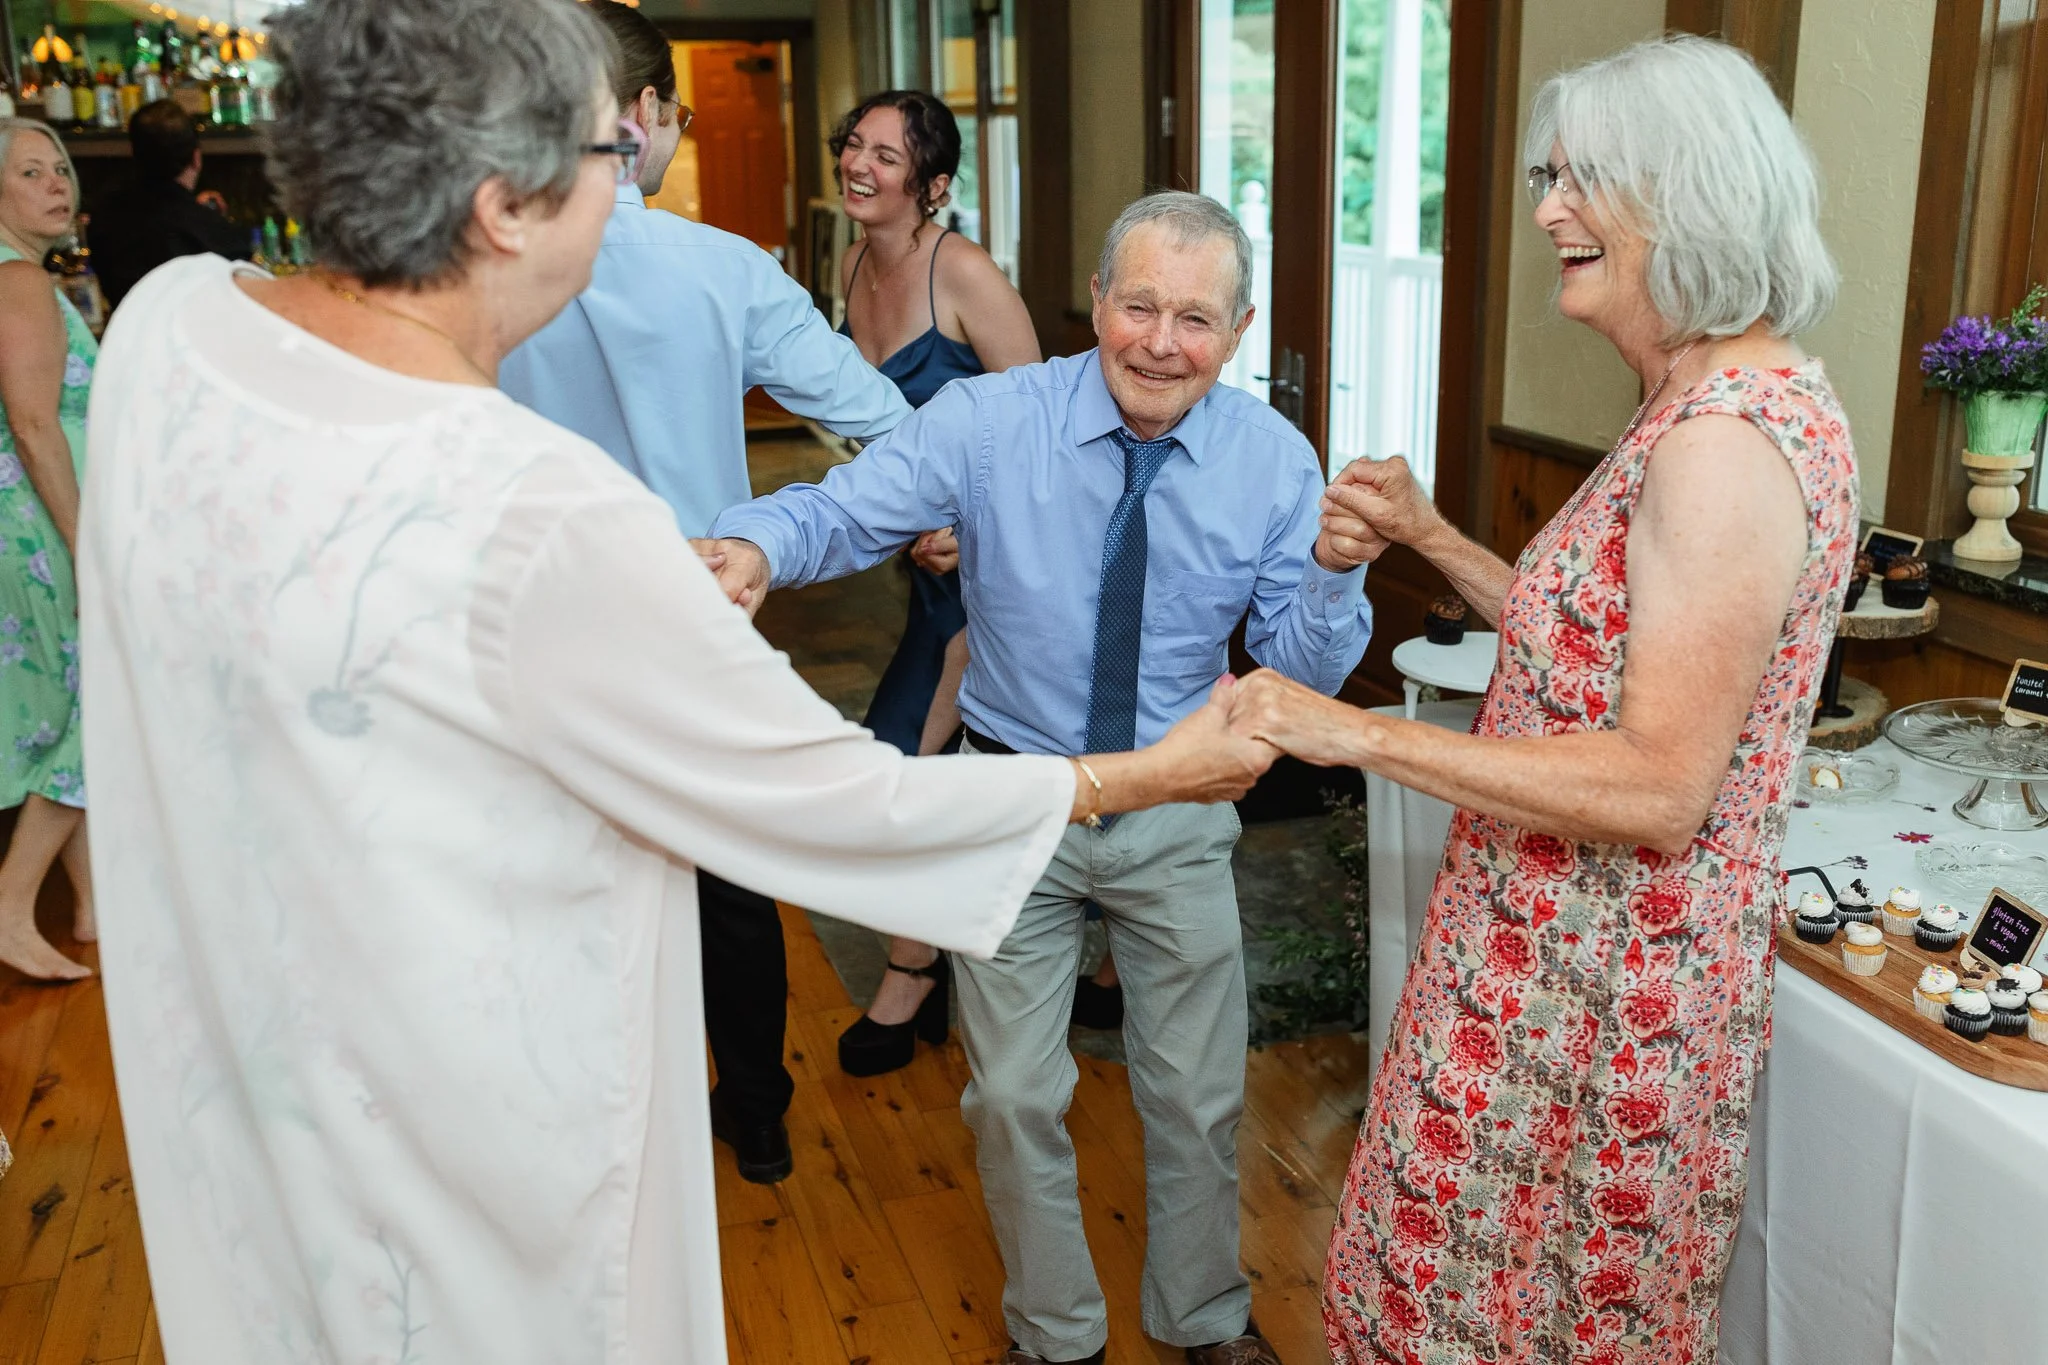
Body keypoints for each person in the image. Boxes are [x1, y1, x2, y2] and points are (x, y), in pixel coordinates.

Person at [77, 2, 1275, 1360]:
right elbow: (844, 806)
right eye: (614, 150)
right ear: (505, 205)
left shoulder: (165, 330)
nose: (632, 182)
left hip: (237, 1099)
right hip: (479, 1149)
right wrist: (1146, 777)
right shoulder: (548, 519)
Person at [1221, 36, 1855, 1365]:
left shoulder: (1725, 447)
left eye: (1583, 182)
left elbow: (1661, 781)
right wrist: (1438, 538)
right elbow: (1598, 646)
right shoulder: (1689, 397)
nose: (1549, 209)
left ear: (1685, 196)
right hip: (1538, 956)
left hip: (1597, 999)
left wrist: (1348, 732)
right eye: (1551, 176)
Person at [702, 190, 1377, 1365]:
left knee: (1198, 1094)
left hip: (1175, 804)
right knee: (1011, 1098)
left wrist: (1326, 575)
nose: (1161, 342)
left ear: (1242, 328)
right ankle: (1053, 1336)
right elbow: (847, 510)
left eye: (1197, 319)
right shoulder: (986, 421)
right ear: (1097, 302)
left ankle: (1205, 1318)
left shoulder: (1271, 457)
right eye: (1138, 306)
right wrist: (758, 543)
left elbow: (1298, 668)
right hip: (1015, 801)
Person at [498, 0, 912, 1187]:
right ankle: (759, 1114)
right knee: (731, 887)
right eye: (671, 115)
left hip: (545, 630)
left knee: (570, 883)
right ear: (636, 115)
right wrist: (912, 521)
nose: (672, 136)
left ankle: (596, 1124)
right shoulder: (724, 269)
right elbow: (880, 423)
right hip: (700, 623)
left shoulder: (487, 265)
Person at [822, 89, 1058, 1078]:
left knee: (900, 765)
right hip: (921, 570)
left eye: (885, 154)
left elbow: (1048, 433)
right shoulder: (851, 266)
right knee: (971, 773)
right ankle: (1072, 956)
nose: (859, 164)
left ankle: (912, 973)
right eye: (853, 145)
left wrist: (967, 524)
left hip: (996, 570)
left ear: (933, 185)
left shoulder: (957, 271)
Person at [0, 118, 94, 984]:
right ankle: (12, 906)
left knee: (65, 709)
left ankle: (91, 904)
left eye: (60, 166)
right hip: (40, 526)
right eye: (31, 171)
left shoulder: (23, 274)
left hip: (27, 524)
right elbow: (34, 424)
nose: (57, 182)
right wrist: (82, 542)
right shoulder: (20, 280)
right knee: (89, 717)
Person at [87, 99, 247, 310]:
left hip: (126, 337)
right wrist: (204, 216)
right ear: (196, 158)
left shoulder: (103, 217)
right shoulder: (212, 230)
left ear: (134, 153)